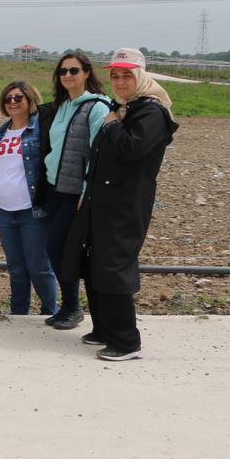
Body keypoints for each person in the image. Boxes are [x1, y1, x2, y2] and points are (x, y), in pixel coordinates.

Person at [66, 48, 177, 362]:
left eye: (127, 74)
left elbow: (133, 148)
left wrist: (113, 125)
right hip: (102, 201)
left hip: (125, 205)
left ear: (141, 75)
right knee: (94, 263)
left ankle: (127, 342)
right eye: (115, 75)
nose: (120, 81)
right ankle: (104, 329)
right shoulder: (125, 107)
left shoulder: (152, 112)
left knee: (114, 267)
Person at [42, 50, 112, 330]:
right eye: (63, 71)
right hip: (54, 188)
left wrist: (86, 190)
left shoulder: (97, 107)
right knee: (58, 249)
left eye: (73, 70)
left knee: (58, 248)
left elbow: (98, 154)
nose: (67, 76)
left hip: (75, 192)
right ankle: (69, 305)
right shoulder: (62, 106)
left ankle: (74, 306)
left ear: (86, 73)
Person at [0, 80, 58, 316]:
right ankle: (18, 314)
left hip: (32, 210)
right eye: (8, 99)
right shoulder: (2, 131)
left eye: (18, 98)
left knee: (39, 267)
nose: (12, 102)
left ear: (30, 99)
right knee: (16, 268)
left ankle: (51, 312)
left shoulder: (39, 129)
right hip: (6, 210)